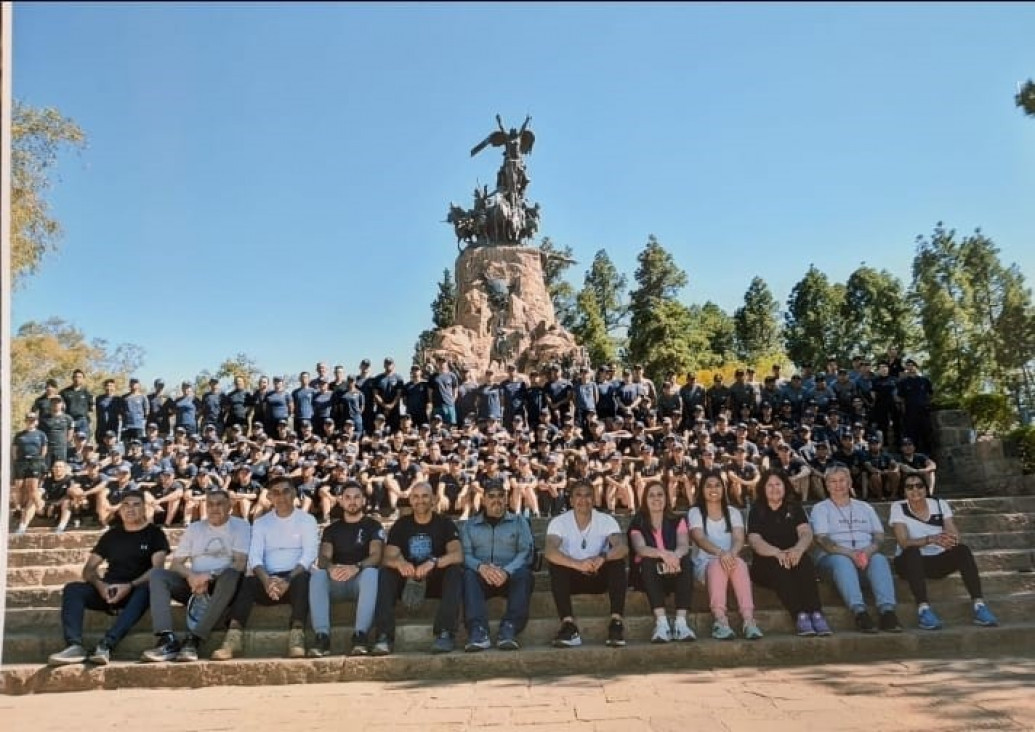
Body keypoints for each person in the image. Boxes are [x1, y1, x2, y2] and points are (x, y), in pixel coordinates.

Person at [48, 491, 170, 666]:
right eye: (126, 505)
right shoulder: (112, 535)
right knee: (73, 589)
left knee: (148, 588)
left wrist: (129, 585)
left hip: (137, 591)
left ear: (144, 508)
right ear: (120, 510)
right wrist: (100, 586)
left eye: (136, 505)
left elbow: (157, 569)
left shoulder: (155, 534)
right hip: (108, 590)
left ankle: (107, 644)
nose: (130, 509)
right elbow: (89, 569)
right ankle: (74, 646)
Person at [212, 476, 319, 660]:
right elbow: (254, 557)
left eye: (286, 491)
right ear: (269, 497)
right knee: (247, 583)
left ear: (294, 493)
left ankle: (296, 636)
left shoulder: (307, 520)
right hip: (267, 579)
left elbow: (309, 555)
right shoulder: (262, 523)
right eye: (276, 493)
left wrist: (287, 580)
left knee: (305, 579)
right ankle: (233, 638)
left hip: (294, 577)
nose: (281, 497)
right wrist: (266, 580)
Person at [142, 489, 250, 662]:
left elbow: (240, 562)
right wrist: (192, 576)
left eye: (220, 503)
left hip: (221, 586)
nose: (214, 508)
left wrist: (210, 576)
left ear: (230, 506)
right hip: (194, 586)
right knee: (158, 575)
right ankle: (166, 639)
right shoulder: (195, 528)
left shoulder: (241, 526)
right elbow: (176, 564)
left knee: (231, 574)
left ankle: (195, 639)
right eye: (210, 504)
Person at [889, 474, 998, 630]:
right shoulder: (898, 507)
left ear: (926, 488)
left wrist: (950, 540)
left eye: (919, 485)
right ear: (904, 491)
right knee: (912, 552)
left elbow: (954, 534)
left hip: (936, 561)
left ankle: (979, 605)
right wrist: (930, 539)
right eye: (909, 487)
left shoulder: (939, 504)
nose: (915, 490)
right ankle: (924, 609)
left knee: (962, 550)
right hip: (909, 562)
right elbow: (903, 542)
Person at [370, 481, 464, 655]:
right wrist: (399, 564)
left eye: (425, 496)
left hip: (435, 580)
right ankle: (384, 636)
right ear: (411, 501)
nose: (420, 500)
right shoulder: (401, 525)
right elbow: (386, 558)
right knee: (385, 574)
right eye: (416, 496)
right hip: (408, 580)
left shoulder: (445, 523)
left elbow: (458, 555)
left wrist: (434, 562)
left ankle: (445, 633)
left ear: (433, 499)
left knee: (455, 572)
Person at [810, 465, 903, 633]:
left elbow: (879, 536)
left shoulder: (865, 507)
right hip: (834, 558)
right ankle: (860, 612)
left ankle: (887, 611)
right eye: (833, 481)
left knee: (879, 559)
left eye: (842, 480)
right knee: (842, 561)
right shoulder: (820, 508)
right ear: (827, 485)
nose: (838, 485)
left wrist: (868, 551)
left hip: (865, 554)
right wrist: (851, 554)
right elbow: (822, 539)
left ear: (850, 482)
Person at [544, 480, 629, 648]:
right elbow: (549, 551)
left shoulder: (606, 520)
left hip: (598, 575)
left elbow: (622, 547)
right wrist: (577, 564)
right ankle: (568, 625)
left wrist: (602, 558)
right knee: (556, 564)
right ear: (571, 500)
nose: (583, 499)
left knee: (617, 562)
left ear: (594, 498)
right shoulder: (559, 522)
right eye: (578, 495)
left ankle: (616, 623)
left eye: (588, 495)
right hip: (572, 577)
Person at [747, 471, 833, 637]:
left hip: (794, 556)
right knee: (780, 568)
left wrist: (798, 550)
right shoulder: (757, 510)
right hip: (766, 562)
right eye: (770, 485)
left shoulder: (794, 508)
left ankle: (816, 613)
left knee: (805, 563)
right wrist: (777, 553)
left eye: (778, 484)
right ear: (763, 489)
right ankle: (799, 615)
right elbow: (755, 541)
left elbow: (806, 533)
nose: (774, 488)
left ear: (785, 486)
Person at [308, 481, 384, 657]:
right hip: (337, 579)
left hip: (361, 580)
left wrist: (356, 567)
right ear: (340, 501)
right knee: (318, 575)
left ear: (363, 500)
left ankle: (360, 635)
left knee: (372, 572)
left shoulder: (373, 526)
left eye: (357, 497)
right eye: (348, 498)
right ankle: (322, 637)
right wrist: (331, 568)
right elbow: (323, 558)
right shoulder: (332, 529)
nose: (352, 501)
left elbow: (376, 555)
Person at [459, 479, 535, 651]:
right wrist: (481, 567)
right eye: (491, 496)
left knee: (524, 575)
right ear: (484, 499)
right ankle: (478, 630)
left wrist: (506, 571)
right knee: (468, 575)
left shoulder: (519, 521)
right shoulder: (470, 525)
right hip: (481, 576)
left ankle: (509, 628)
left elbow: (526, 552)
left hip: (510, 576)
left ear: (506, 499)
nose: (497, 500)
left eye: (501, 496)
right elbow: (465, 555)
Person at [688, 472, 762, 640]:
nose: (713, 489)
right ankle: (720, 620)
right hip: (705, 564)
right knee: (717, 566)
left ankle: (749, 620)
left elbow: (738, 538)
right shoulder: (695, 512)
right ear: (702, 489)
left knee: (741, 564)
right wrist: (720, 553)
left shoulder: (733, 512)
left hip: (730, 560)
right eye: (708, 485)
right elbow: (699, 538)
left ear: (723, 488)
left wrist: (731, 554)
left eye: (717, 485)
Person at [627, 483, 696, 643]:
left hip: (674, 571)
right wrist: (664, 554)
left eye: (660, 494)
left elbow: (683, 545)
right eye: (651, 495)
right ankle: (661, 623)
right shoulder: (638, 522)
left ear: (666, 498)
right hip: (647, 576)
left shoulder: (678, 520)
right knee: (648, 561)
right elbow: (641, 548)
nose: (656, 498)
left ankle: (681, 623)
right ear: (645, 500)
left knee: (685, 560)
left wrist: (674, 557)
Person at [12, 412, 48, 535]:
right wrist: (17, 461)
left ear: (36, 422)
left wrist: (39, 461)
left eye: (33, 420)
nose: (31, 422)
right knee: (19, 486)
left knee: (32, 486)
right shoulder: (19, 435)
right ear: (26, 421)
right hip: (22, 462)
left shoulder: (41, 434)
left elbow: (43, 450)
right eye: (29, 420)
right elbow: (15, 450)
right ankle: (18, 508)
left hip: (35, 462)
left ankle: (40, 507)